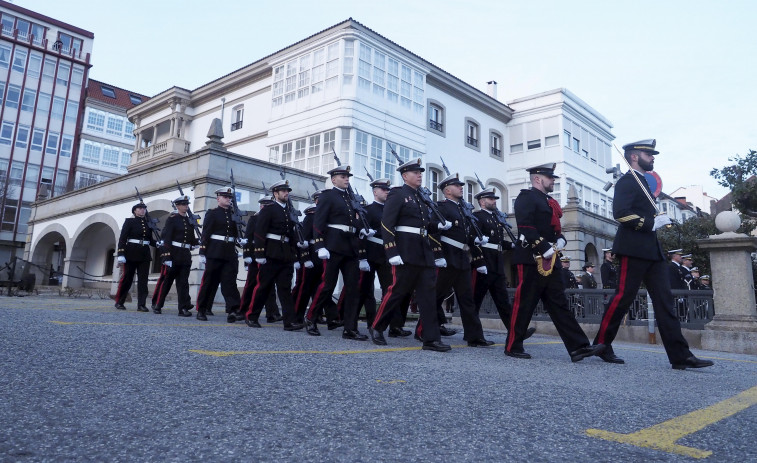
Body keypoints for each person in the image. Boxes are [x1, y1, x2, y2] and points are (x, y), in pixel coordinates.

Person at [593, 139, 713, 370]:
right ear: (635, 157)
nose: (653, 157)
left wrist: (655, 224)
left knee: (665, 302)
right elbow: (620, 213)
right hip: (633, 249)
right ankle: (601, 344)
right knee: (622, 298)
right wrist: (650, 223)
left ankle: (680, 355)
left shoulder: (643, 183)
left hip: (652, 251)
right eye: (648, 154)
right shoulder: (628, 181)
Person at [505, 163, 604, 362]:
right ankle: (513, 346)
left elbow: (554, 229)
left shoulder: (548, 200)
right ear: (537, 179)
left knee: (559, 304)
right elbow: (525, 227)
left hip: (551, 258)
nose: (553, 181)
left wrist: (560, 239)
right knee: (524, 303)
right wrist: (543, 247)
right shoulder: (526, 197)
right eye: (549, 178)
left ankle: (578, 347)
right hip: (532, 257)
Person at [370, 158, 452, 352]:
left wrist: (437, 226)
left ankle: (431, 339)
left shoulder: (422, 197)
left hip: (424, 251)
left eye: (420, 172)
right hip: (405, 251)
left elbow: (423, 226)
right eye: (415, 172)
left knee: (428, 296)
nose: (420, 175)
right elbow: (387, 224)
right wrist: (391, 251)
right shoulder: (398, 194)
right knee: (396, 292)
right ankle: (377, 326)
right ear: (405, 176)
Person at [305, 164, 369, 340]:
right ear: (333, 179)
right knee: (327, 285)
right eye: (343, 176)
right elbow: (318, 222)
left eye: (348, 176)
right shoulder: (328, 196)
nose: (346, 179)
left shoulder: (350, 198)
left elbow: (351, 221)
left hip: (350, 246)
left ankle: (350, 328)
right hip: (333, 245)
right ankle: (311, 318)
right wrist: (319, 245)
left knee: (353, 289)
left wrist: (361, 228)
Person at [427, 173, 490, 347]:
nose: (461, 187)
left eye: (461, 185)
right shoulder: (442, 207)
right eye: (457, 186)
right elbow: (432, 231)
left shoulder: (462, 209)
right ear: (447, 190)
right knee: (435, 297)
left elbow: (464, 234)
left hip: (462, 258)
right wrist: (438, 256)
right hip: (447, 256)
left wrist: (475, 240)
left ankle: (474, 336)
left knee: (467, 299)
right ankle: (424, 331)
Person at [472, 188, 536, 340]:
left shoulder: (496, 218)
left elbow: (498, 242)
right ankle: (474, 335)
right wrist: (479, 262)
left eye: (495, 199)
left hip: (497, 263)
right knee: (475, 301)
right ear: (482, 202)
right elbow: (474, 241)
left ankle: (516, 332)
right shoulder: (477, 217)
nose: (494, 201)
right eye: (491, 199)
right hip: (485, 262)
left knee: (504, 302)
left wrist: (512, 245)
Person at [244, 180, 305, 331]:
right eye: (283, 191)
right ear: (275, 194)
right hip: (270, 253)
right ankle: (251, 316)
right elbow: (259, 232)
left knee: (285, 288)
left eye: (287, 191)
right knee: (263, 287)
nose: (286, 193)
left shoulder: (289, 211)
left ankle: (289, 321)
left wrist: (297, 251)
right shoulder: (269, 209)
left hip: (286, 254)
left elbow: (291, 234)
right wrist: (259, 253)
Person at [360, 178, 411, 340]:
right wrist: (361, 256)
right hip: (371, 252)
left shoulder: (394, 208)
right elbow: (361, 235)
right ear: (375, 192)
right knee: (366, 291)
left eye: (388, 190)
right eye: (383, 189)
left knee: (391, 290)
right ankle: (368, 323)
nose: (387, 192)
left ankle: (395, 326)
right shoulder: (367, 210)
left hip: (388, 253)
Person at [195, 187, 243, 321]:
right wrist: (202, 251)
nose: (228, 199)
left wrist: (240, 241)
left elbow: (235, 233)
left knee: (230, 283)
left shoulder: (234, 214)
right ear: (218, 199)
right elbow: (206, 233)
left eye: (229, 197)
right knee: (209, 282)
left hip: (229, 253)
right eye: (225, 197)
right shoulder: (213, 213)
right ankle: (202, 309)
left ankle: (233, 310)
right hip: (215, 251)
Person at [237, 196, 284, 324]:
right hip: (255, 256)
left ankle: (272, 313)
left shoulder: (274, 217)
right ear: (261, 206)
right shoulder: (255, 218)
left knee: (269, 286)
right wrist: (247, 256)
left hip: (268, 254)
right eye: (265, 205)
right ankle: (243, 311)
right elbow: (249, 238)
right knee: (251, 284)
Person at [153, 195, 199, 316]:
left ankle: (183, 308)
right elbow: (166, 238)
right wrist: (166, 256)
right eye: (183, 204)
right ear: (177, 206)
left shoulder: (189, 221)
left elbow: (189, 238)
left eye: (187, 204)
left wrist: (197, 242)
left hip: (185, 255)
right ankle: (158, 304)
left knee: (183, 283)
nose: (186, 206)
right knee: (167, 282)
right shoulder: (172, 219)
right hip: (173, 254)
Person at [114, 202, 158, 312]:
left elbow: (150, 240)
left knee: (143, 281)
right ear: (135, 211)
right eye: (140, 208)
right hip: (131, 253)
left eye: (144, 208)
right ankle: (120, 301)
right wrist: (121, 254)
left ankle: (141, 304)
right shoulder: (130, 222)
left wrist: (158, 243)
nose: (142, 210)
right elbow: (123, 238)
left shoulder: (148, 223)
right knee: (127, 279)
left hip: (144, 254)